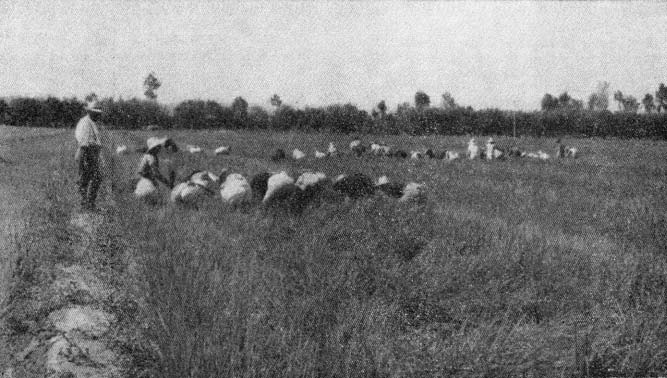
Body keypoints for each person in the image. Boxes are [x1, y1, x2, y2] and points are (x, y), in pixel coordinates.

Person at [74, 102, 108, 211]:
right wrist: (83, 161)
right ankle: (86, 205)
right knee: (86, 180)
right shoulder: (85, 123)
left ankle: (89, 204)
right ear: (90, 112)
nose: (99, 116)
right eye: (96, 113)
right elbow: (84, 144)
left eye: (99, 114)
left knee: (95, 178)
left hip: (91, 154)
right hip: (86, 154)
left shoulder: (91, 122)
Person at [134, 137, 173, 204]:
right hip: (144, 181)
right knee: (153, 199)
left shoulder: (148, 155)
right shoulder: (151, 158)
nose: (160, 148)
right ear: (154, 148)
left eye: (159, 146)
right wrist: (167, 183)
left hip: (142, 180)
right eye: (158, 146)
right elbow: (156, 174)